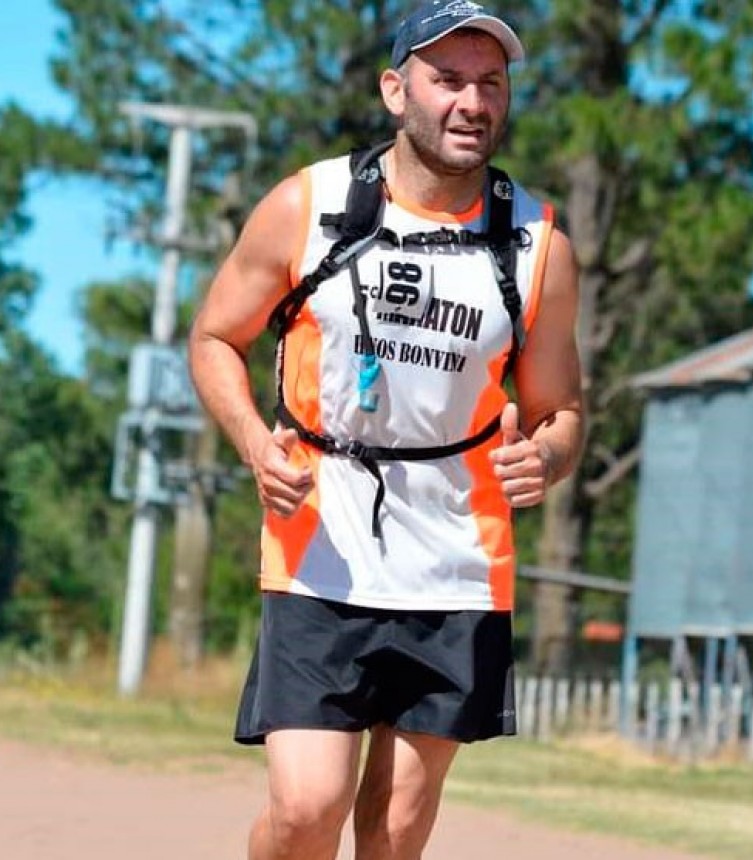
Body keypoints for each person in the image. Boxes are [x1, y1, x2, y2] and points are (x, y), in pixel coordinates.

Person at [188, 2, 585, 858]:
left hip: (455, 562)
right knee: (306, 807)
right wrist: (256, 442)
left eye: (491, 82)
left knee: (398, 826)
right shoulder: (310, 202)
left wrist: (544, 457)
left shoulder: (537, 241)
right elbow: (216, 337)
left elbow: (562, 411)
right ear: (396, 90)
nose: (472, 102)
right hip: (318, 544)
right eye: (448, 80)